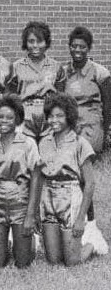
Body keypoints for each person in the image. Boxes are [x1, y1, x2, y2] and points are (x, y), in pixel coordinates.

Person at [63, 26, 110, 255]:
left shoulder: (100, 73)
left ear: (89, 49)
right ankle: (74, 221)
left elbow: (108, 106)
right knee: (72, 178)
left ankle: (91, 227)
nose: (77, 50)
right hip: (71, 129)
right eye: (74, 46)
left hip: (92, 130)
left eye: (82, 47)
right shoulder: (65, 72)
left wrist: (107, 133)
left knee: (85, 179)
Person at [39, 94, 95, 266]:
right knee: (53, 260)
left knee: (72, 261)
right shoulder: (44, 142)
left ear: (69, 116)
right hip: (48, 197)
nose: (54, 120)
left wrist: (80, 218)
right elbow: (40, 176)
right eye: (51, 116)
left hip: (70, 198)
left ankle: (92, 245)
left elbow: (90, 183)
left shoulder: (80, 142)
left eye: (59, 116)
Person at [0, 95, 42, 268]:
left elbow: (36, 177)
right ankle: (7, 241)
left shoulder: (28, 143)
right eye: (0, 116)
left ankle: (31, 241)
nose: (4, 121)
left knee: (22, 263)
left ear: (18, 119)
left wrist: (30, 215)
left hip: (20, 202)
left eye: (9, 117)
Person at [7, 21, 66, 142]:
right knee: (27, 153)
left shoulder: (56, 67)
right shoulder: (16, 67)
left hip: (48, 117)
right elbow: (12, 97)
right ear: (25, 43)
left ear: (46, 42)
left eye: (39, 41)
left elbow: (61, 96)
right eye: (31, 41)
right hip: (25, 117)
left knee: (48, 153)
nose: (35, 46)